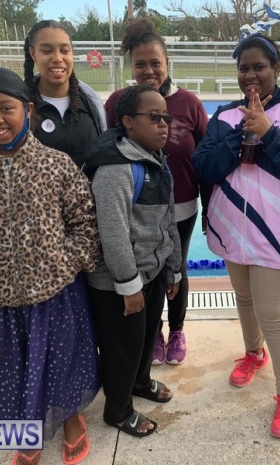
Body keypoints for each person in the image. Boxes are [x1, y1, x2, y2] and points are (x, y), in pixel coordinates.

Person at [0, 67, 101, 465]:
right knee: (9, 371)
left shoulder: (56, 165)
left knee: (62, 363)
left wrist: (64, 264)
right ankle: (26, 434)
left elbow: (84, 224)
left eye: (6, 108)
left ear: (27, 108)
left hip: (55, 294)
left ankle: (70, 418)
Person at [193, 34, 280, 439]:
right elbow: (204, 165)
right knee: (245, 299)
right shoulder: (223, 116)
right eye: (243, 68)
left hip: (278, 234)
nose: (251, 74)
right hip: (231, 230)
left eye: (259, 66)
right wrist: (239, 137)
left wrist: (269, 132)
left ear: (276, 69)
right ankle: (253, 354)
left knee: (273, 314)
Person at [104, 18, 208, 366]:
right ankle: (155, 332)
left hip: (180, 206)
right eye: (140, 63)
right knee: (146, 272)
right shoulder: (118, 102)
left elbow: (206, 156)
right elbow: (109, 149)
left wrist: (211, 210)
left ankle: (177, 329)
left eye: (155, 63)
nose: (148, 70)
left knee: (175, 269)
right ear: (130, 66)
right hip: (136, 209)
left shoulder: (189, 103)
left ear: (167, 64)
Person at [84, 85, 182, 438]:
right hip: (118, 283)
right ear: (127, 122)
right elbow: (112, 232)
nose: (163, 125)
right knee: (122, 348)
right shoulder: (116, 169)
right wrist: (128, 285)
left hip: (151, 272)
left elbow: (167, 219)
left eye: (166, 117)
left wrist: (173, 267)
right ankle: (119, 409)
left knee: (144, 338)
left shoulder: (155, 160)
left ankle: (140, 383)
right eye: (153, 118)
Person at [24, 19, 107, 170]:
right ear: (33, 54)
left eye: (64, 50)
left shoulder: (91, 103)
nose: (57, 58)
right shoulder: (21, 106)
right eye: (47, 51)